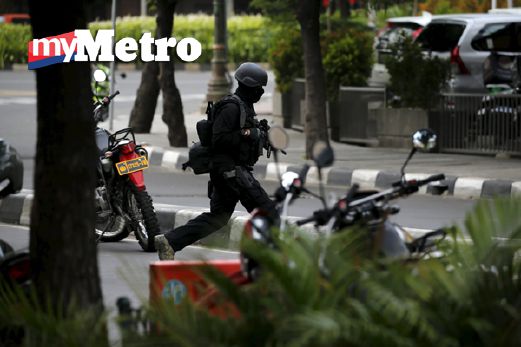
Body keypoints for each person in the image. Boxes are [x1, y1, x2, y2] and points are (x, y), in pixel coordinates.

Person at [154, 62, 279, 260]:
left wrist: (261, 137)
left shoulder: (244, 107)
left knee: (217, 219)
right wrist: (249, 133)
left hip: (230, 172)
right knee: (268, 213)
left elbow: (243, 138)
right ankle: (267, 260)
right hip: (231, 172)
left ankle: (170, 241)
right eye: (259, 88)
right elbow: (219, 139)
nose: (261, 92)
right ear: (249, 86)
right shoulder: (231, 107)